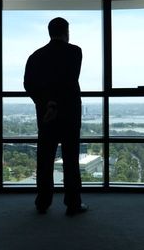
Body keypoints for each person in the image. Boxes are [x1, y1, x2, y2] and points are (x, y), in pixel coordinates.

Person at [24, 17, 88, 216]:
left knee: (45, 160)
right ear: (66, 32)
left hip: (47, 117)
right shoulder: (75, 52)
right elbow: (68, 79)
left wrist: (46, 102)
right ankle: (73, 203)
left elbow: (28, 84)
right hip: (70, 115)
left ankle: (42, 202)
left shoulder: (35, 56)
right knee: (71, 161)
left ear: (49, 32)